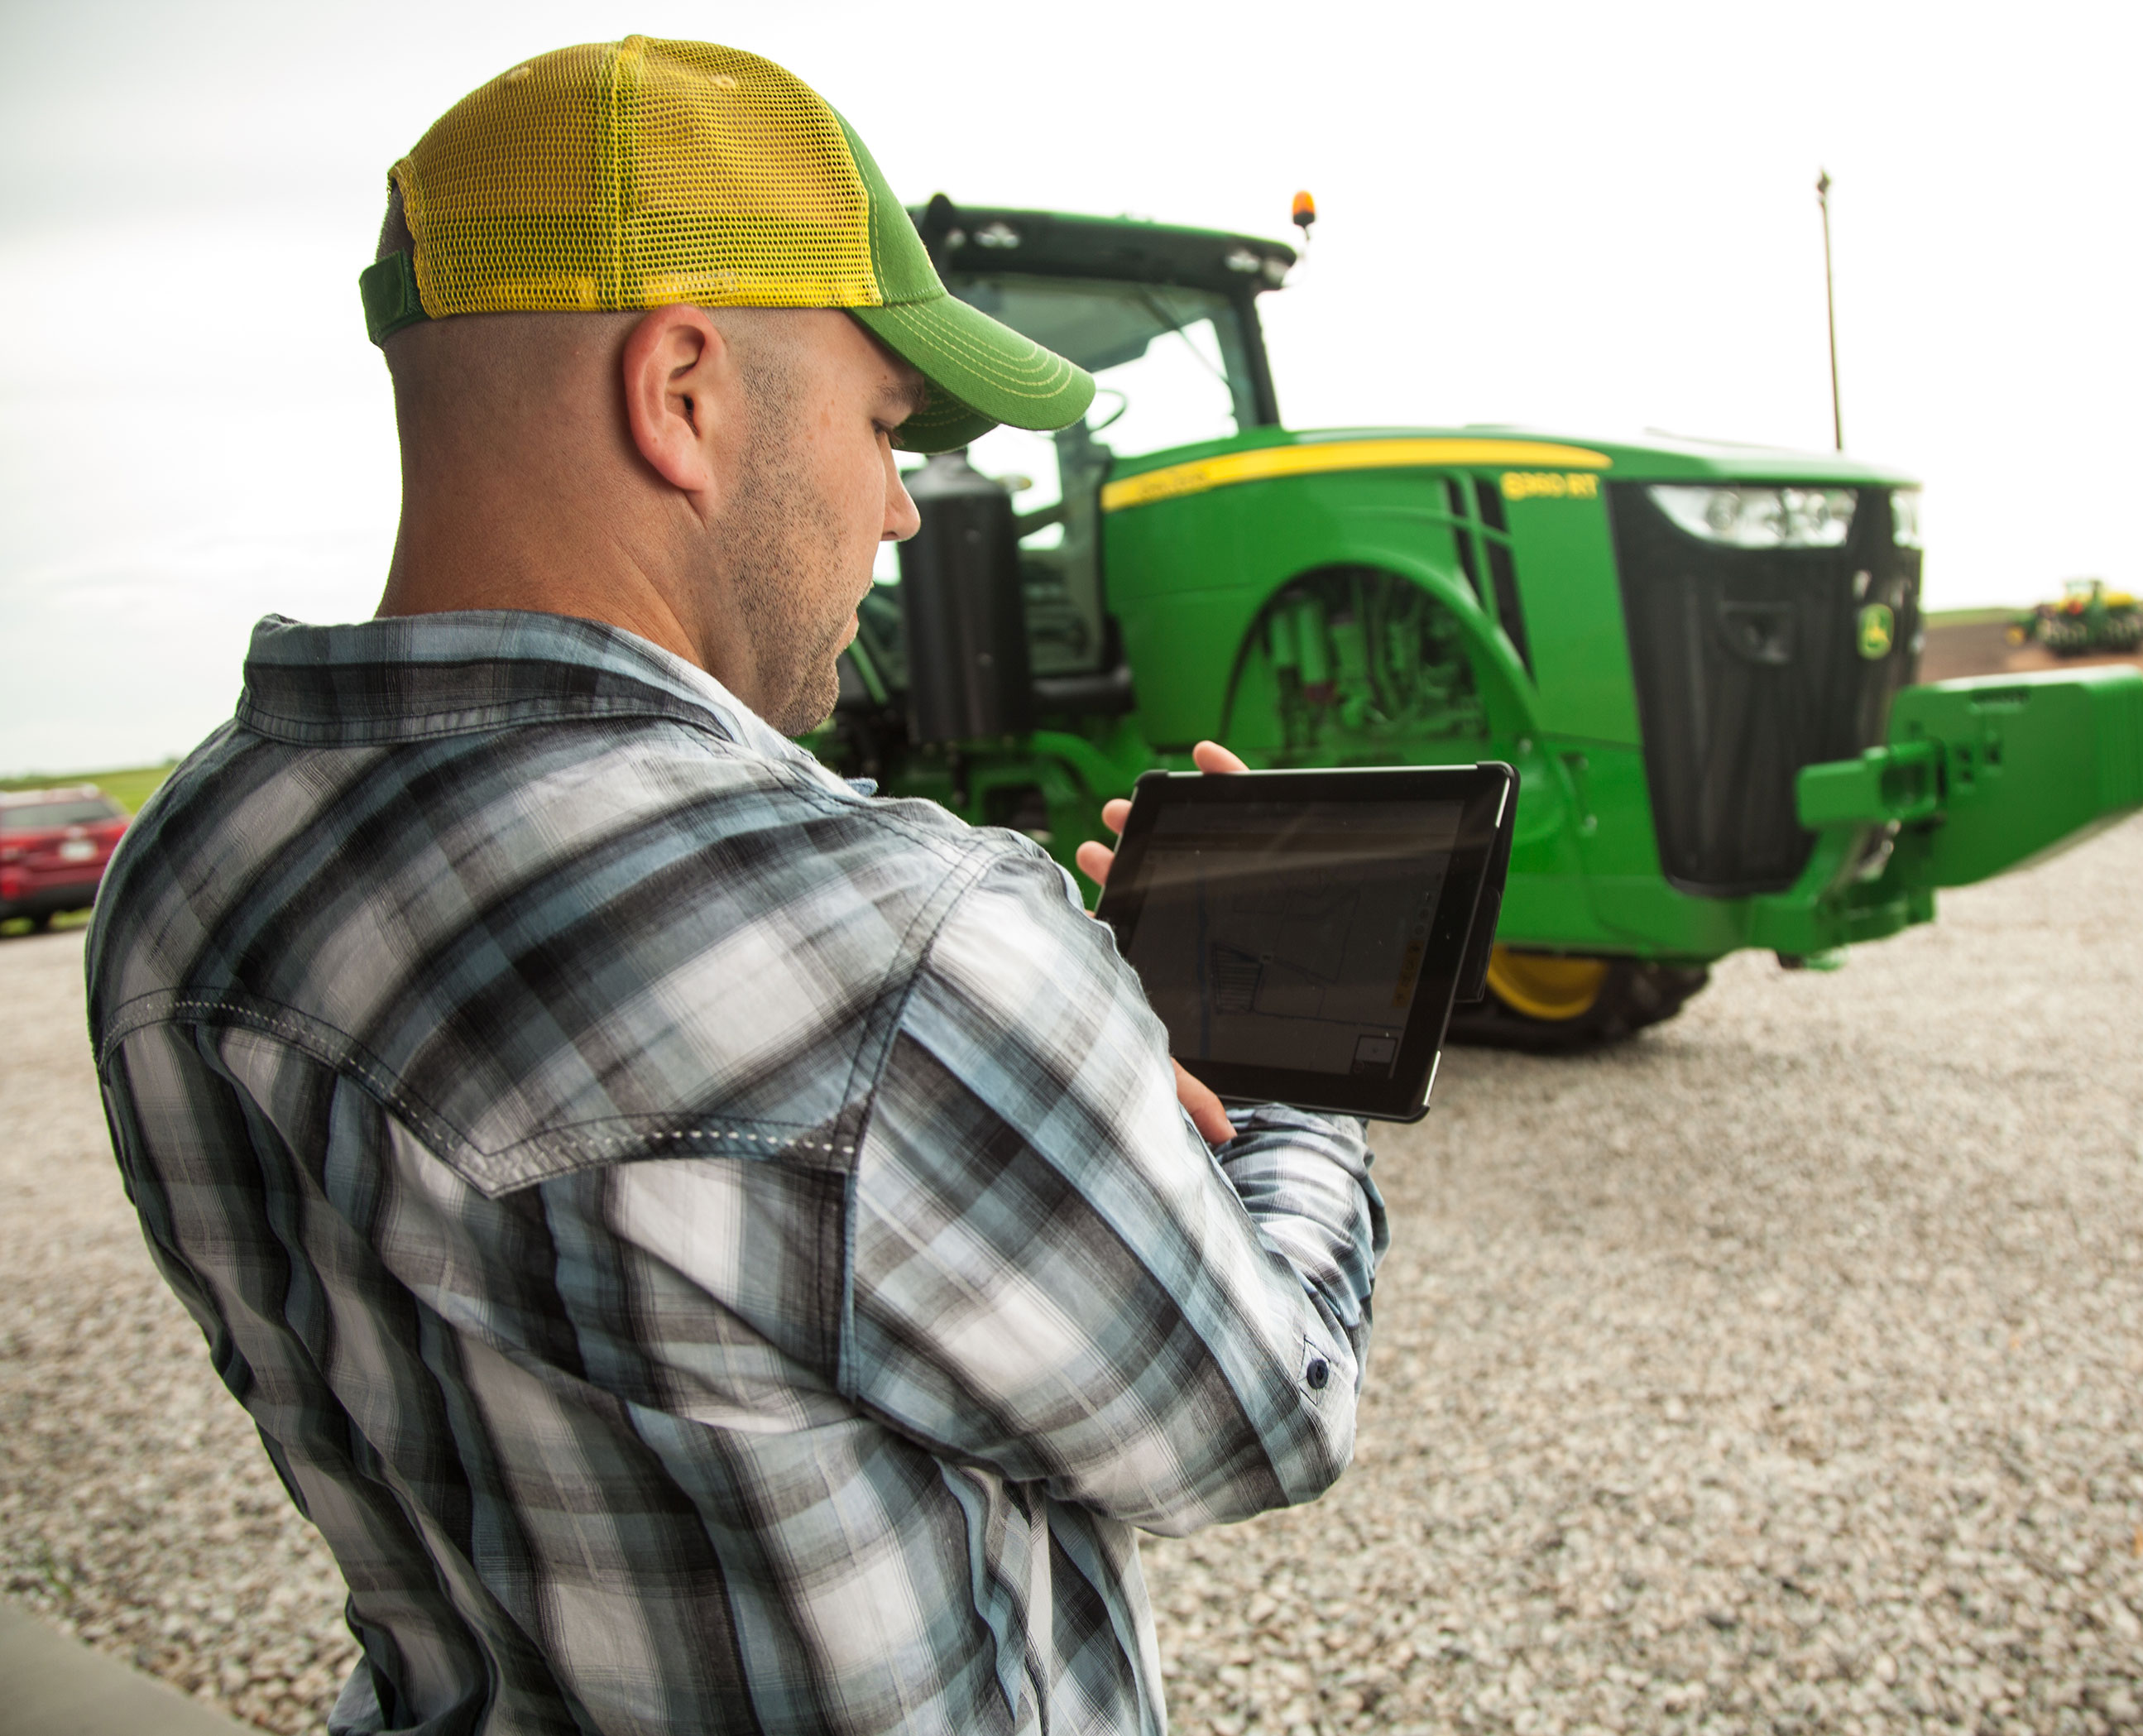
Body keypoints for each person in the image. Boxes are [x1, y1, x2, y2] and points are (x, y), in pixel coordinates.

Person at [86, 38, 1383, 1736]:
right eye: (884, 427)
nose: (904, 510)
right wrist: (1292, 1055)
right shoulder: (903, 942)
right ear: (682, 391)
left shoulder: (188, 869)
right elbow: (1259, 1410)